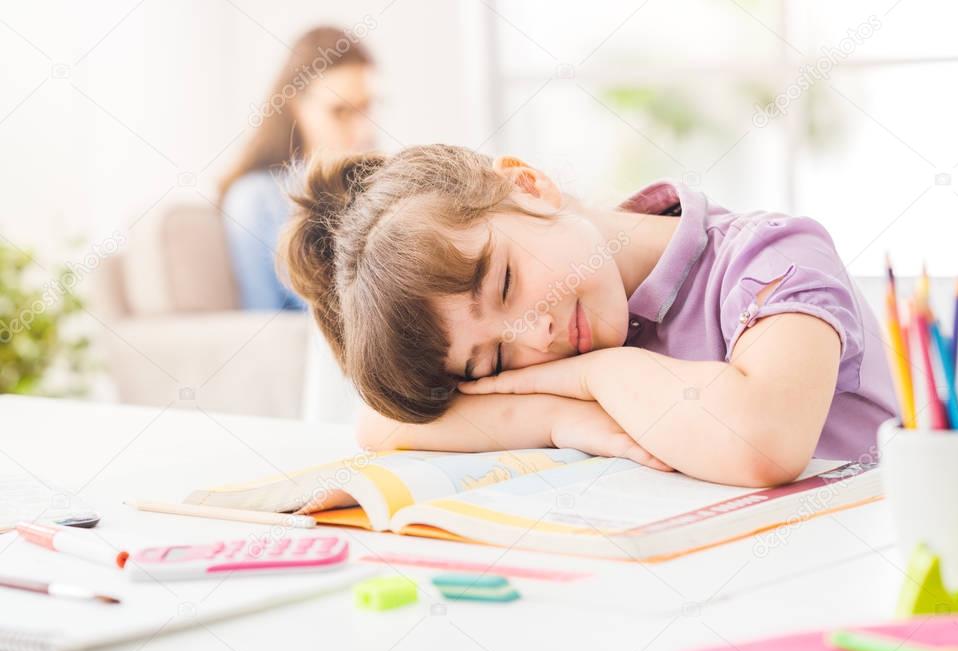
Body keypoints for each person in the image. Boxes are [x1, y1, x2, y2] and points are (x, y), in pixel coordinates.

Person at [279, 145, 898, 487]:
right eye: (493, 360)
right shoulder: (568, 333)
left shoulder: (770, 254)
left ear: (528, 185)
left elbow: (762, 444)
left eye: (505, 282)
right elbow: (380, 426)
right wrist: (558, 420)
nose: (535, 339)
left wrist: (594, 379)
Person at [219, 26, 375, 310]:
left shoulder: (376, 186)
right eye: (340, 112)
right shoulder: (256, 199)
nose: (362, 131)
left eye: (366, 109)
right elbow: (264, 322)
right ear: (297, 105)